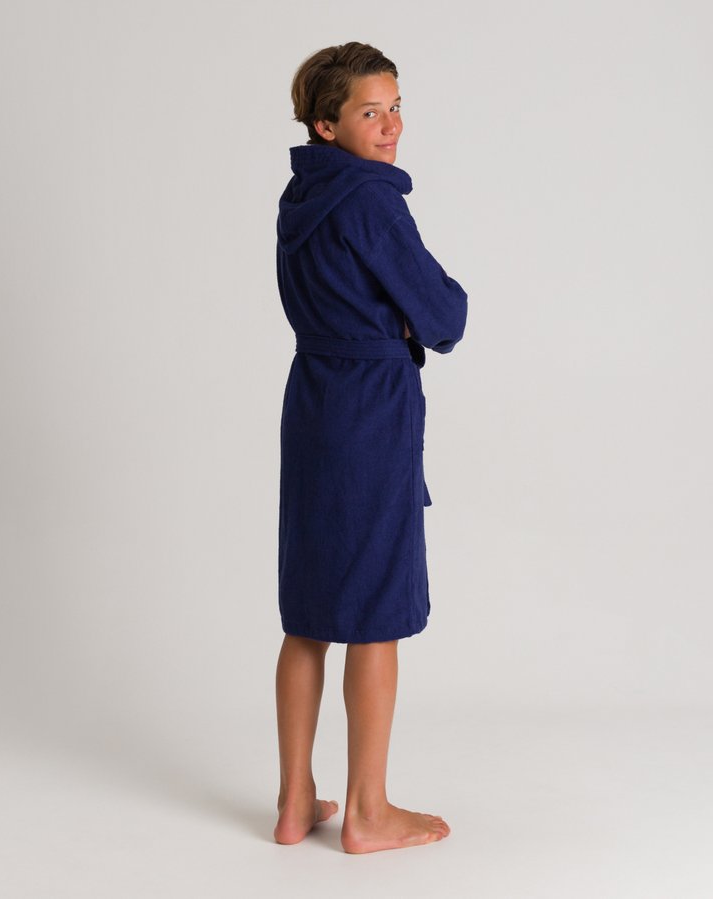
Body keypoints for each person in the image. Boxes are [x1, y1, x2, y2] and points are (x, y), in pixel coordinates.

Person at [274, 41, 468, 854]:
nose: (391, 126)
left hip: (314, 400)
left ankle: (295, 802)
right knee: (375, 612)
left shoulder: (301, 195)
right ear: (327, 124)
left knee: (309, 614)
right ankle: (366, 811)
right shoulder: (372, 202)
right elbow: (446, 317)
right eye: (369, 111)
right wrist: (426, 310)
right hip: (370, 411)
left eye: (395, 107)